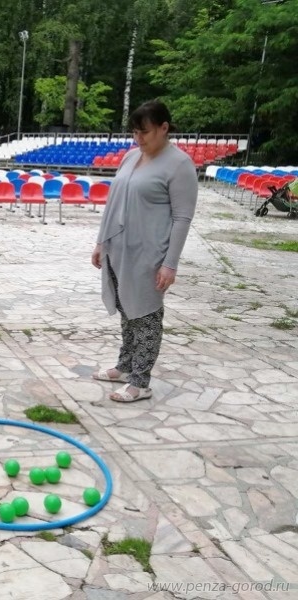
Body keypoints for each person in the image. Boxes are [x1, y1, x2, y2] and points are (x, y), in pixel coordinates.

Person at [91, 99, 198, 402]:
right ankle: (125, 366)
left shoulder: (179, 165)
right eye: (135, 133)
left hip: (150, 254)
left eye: (146, 133)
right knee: (127, 310)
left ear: (164, 128)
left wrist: (170, 264)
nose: (139, 139)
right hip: (119, 249)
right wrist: (101, 242)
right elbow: (113, 203)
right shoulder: (130, 158)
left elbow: (182, 217)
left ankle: (141, 381)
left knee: (146, 316)